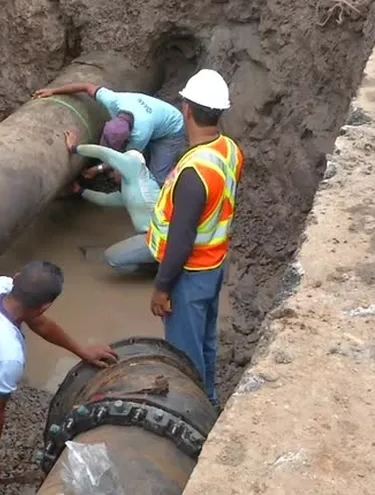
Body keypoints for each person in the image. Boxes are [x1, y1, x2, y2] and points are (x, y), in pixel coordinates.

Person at [0, 261, 118, 494]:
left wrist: (81, 350)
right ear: (45, 306)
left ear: (16, 278)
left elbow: (40, 323)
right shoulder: (8, 356)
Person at [145, 69, 244, 407]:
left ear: (186, 109)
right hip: (214, 265)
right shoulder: (229, 149)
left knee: (184, 356)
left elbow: (181, 239)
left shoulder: (194, 173)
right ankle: (209, 401)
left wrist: (162, 287)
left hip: (189, 273)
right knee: (204, 343)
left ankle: (192, 413)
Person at [32, 83, 186, 186]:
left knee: (157, 179)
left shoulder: (140, 132)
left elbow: (126, 160)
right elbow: (85, 86)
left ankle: (173, 179)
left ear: (129, 136)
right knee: (127, 168)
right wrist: (54, 90)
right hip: (154, 117)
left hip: (170, 130)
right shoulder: (113, 100)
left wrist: (99, 169)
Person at [63, 129, 160, 274]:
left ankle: (158, 268)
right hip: (156, 235)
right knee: (125, 245)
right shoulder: (132, 188)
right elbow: (106, 199)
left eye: (114, 169)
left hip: (159, 237)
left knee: (111, 257)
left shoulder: (134, 168)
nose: (112, 173)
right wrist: (80, 190)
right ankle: (158, 261)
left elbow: (105, 153)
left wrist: (75, 148)